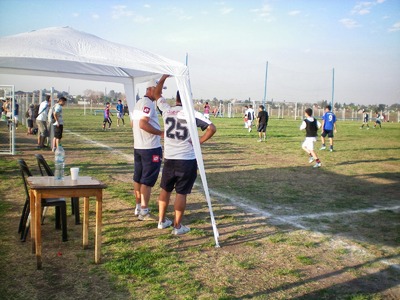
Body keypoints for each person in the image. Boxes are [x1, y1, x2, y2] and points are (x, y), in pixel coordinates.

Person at [157, 77, 217, 234]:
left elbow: (157, 95)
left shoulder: (166, 110)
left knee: (165, 189)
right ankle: (177, 226)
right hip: (186, 159)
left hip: (169, 158)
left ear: (176, 98)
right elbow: (212, 128)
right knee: (181, 193)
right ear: (187, 98)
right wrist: (199, 141)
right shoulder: (192, 114)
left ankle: (161, 220)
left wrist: (163, 78)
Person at [132, 78, 164, 221]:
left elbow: (132, 123)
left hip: (139, 146)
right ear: (151, 89)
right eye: (159, 89)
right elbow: (143, 124)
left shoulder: (138, 103)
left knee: (138, 178)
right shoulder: (148, 104)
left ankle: (138, 206)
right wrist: (160, 132)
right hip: (150, 148)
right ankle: (144, 210)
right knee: (147, 180)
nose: (160, 92)